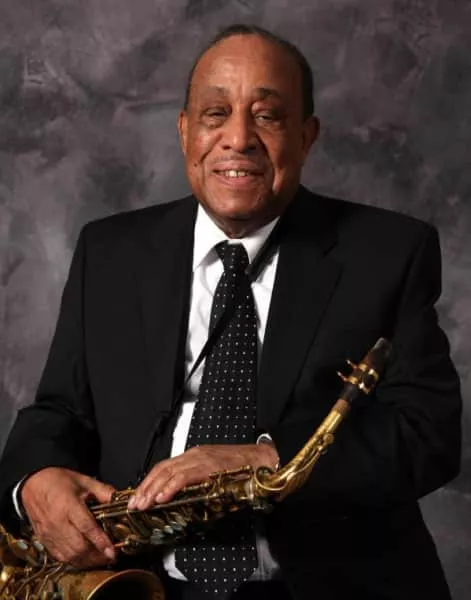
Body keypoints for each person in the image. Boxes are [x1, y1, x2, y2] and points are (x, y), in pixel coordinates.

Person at [0, 24, 462, 600]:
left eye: (267, 116)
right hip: (137, 582)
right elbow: (58, 411)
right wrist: (35, 480)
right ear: (185, 132)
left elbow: (428, 434)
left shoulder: (389, 253)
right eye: (215, 114)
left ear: (307, 136)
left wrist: (263, 457)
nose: (238, 139)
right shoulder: (110, 251)